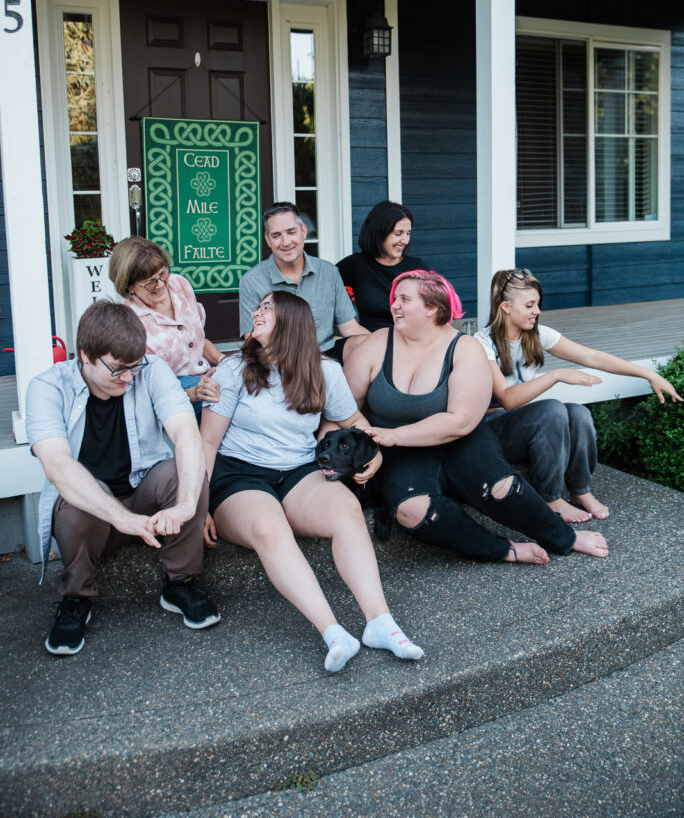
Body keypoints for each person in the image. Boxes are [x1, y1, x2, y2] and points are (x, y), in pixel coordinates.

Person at [201, 291, 423, 672]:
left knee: (346, 508)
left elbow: (355, 423)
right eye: (259, 307)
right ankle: (333, 632)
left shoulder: (325, 370)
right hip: (238, 474)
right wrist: (198, 503)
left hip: (298, 471)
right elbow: (207, 441)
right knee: (268, 527)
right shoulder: (233, 368)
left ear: (292, 321)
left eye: (267, 308)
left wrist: (378, 451)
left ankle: (380, 622)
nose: (257, 312)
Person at [344, 270, 609, 565]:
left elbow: (461, 421)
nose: (394, 305)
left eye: (404, 299)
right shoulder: (377, 344)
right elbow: (345, 408)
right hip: (399, 454)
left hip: (458, 440)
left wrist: (391, 436)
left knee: (501, 489)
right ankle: (505, 549)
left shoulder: (465, 348)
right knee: (412, 511)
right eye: (395, 298)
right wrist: (370, 443)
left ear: (432, 307)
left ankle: (565, 537)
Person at [26, 300, 219, 656]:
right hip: (95, 513)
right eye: (117, 370)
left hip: (145, 493)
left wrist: (189, 504)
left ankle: (181, 583)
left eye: (134, 366)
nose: (129, 378)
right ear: (85, 355)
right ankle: (76, 597)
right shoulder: (47, 388)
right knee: (76, 497)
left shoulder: (151, 369)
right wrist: (122, 518)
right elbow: (58, 466)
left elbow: (186, 434)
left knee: (184, 470)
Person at [475, 268, 682, 522]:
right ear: (506, 307)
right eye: (529, 305)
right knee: (551, 409)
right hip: (494, 430)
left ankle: (580, 490)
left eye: (538, 304)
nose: (536, 312)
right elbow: (507, 398)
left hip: (528, 423)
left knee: (579, 413)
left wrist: (647, 374)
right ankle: (550, 498)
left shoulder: (537, 335)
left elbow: (592, 356)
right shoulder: (482, 343)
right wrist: (556, 375)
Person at [238, 202, 370, 363]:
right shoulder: (252, 281)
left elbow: (350, 328)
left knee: (364, 344)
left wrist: (384, 345)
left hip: (326, 355)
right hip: (280, 360)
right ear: (268, 239)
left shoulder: (328, 272)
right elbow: (252, 341)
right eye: (276, 235)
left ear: (303, 231)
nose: (285, 242)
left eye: (291, 232)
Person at [109, 237, 226, 416]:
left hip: (204, 375)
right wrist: (192, 394)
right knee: (224, 402)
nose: (161, 284)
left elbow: (198, 342)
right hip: (171, 390)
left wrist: (223, 360)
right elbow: (146, 387)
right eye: (150, 282)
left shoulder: (180, 284)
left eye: (162, 274)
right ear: (129, 286)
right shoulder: (128, 322)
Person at [337, 200, 429, 331]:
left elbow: (439, 309)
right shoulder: (355, 265)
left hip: (410, 339)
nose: (405, 241)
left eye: (408, 233)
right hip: (369, 340)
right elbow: (323, 286)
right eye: (398, 233)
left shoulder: (418, 268)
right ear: (378, 233)